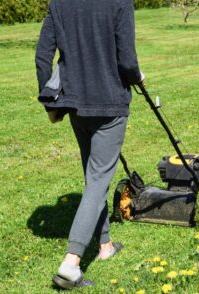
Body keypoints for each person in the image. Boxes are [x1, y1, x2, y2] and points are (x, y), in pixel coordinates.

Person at [35, 0, 143, 289]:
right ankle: (71, 263)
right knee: (97, 181)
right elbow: (127, 59)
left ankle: (105, 245)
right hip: (109, 104)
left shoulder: (59, 3)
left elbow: (42, 56)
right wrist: (137, 76)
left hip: (76, 106)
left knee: (94, 179)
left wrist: (49, 103)